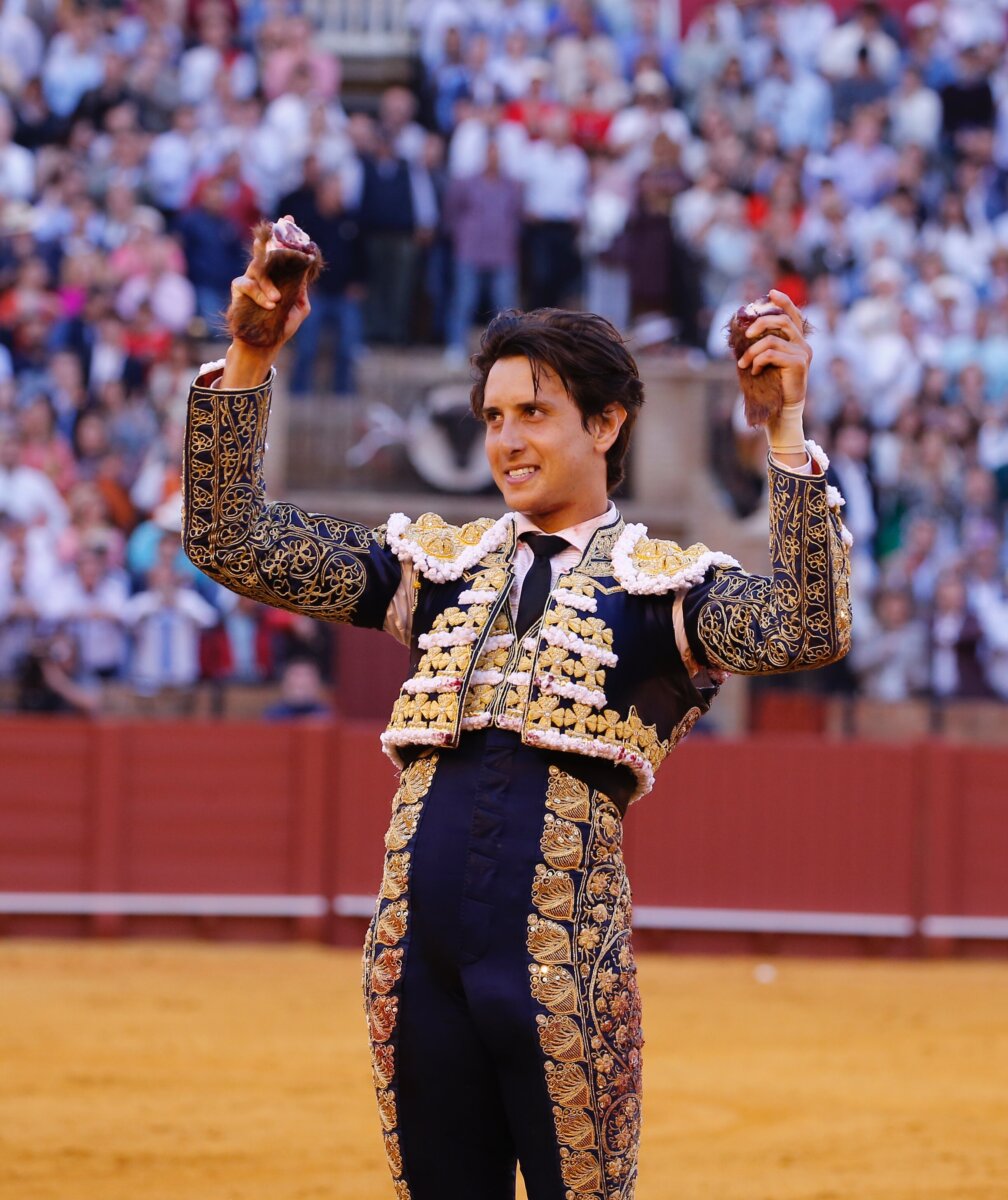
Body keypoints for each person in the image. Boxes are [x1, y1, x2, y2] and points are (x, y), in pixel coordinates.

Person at [181, 237, 852, 1198]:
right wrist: (249, 355)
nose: (505, 441)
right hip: (415, 970)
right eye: (493, 417)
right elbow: (231, 539)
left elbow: (807, 626)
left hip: (562, 973)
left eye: (533, 413)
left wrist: (783, 430)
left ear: (607, 424)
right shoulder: (438, 571)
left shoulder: (661, 594)